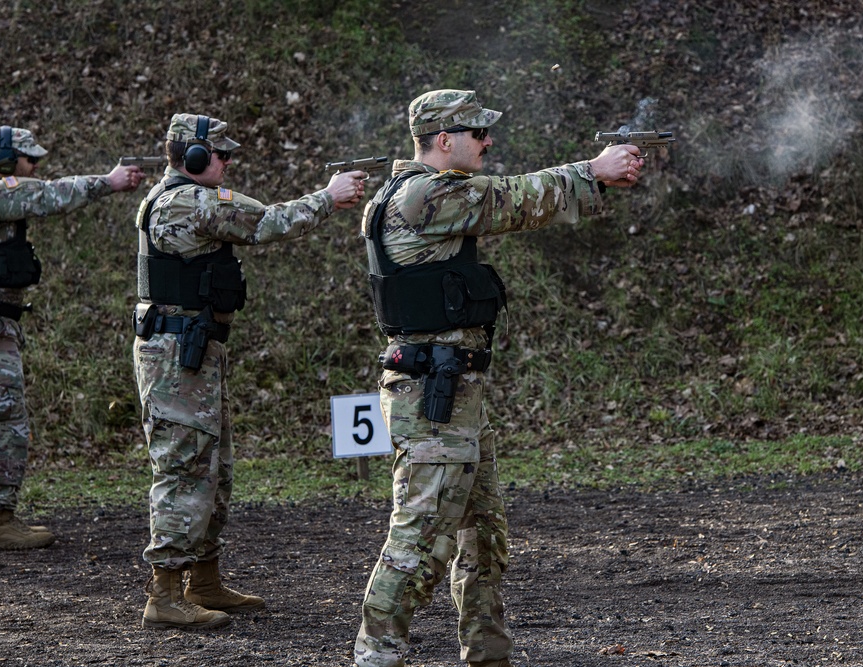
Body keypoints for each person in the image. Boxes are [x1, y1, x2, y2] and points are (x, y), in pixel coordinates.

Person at [353, 89, 644, 667]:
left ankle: (487, 652)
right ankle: (374, 655)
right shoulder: (421, 196)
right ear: (443, 141)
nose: (488, 142)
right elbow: (512, 199)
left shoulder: (417, 191)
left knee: (483, 535)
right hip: (433, 397)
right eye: (477, 134)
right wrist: (592, 172)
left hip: (456, 392)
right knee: (419, 543)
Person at [133, 112, 366, 631]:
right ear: (193, 158)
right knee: (184, 470)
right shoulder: (186, 204)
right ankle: (165, 593)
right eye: (221, 154)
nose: (229, 163)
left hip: (192, 351)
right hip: (178, 355)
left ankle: (204, 579)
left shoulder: (186, 200)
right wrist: (328, 196)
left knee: (214, 468)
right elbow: (268, 223)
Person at [0, 125, 145, 551]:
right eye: (27, 158)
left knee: (2, 420)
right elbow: (50, 194)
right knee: (3, 422)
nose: (34, 165)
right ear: (2, 161)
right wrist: (108, 183)